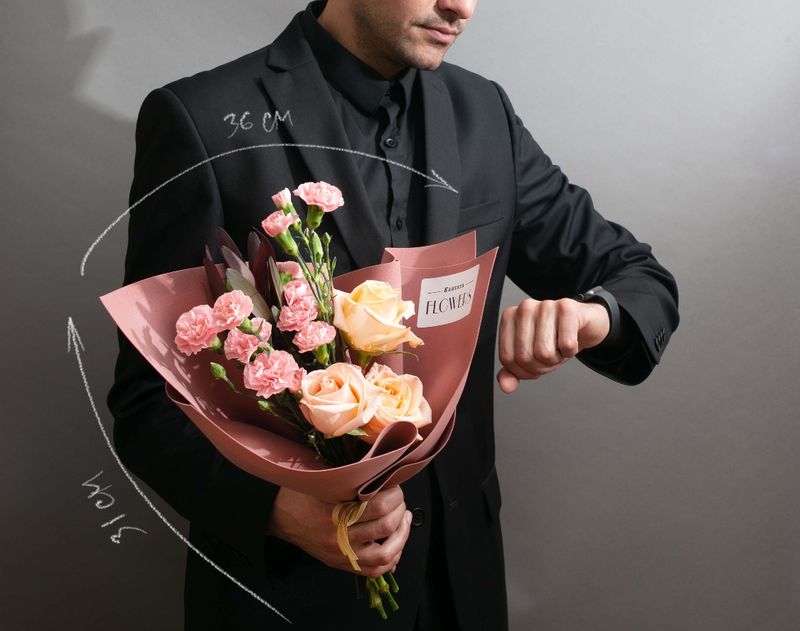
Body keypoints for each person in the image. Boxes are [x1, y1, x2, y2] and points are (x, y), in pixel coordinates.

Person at [107, 1, 679, 629]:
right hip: (291, 602)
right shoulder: (203, 120)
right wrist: (278, 509)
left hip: (463, 593)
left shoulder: (485, 113)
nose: (461, 6)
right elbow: (146, 404)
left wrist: (594, 316)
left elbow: (640, 279)